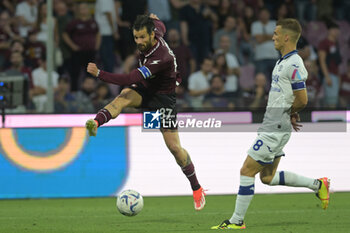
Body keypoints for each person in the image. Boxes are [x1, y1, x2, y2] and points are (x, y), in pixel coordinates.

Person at [211, 18, 330, 230]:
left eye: (276, 33)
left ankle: (237, 221)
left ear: (286, 37)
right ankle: (318, 185)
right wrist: (290, 113)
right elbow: (288, 97)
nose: (272, 37)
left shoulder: (294, 63)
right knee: (267, 177)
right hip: (274, 124)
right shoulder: (282, 61)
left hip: (275, 128)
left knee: (246, 170)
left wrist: (290, 113)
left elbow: (302, 99)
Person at [85, 14, 206, 211]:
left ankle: (197, 188)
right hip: (146, 88)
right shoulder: (155, 28)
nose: (139, 41)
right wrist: (153, 18)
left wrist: (100, 74)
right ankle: (96, 122)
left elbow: (129, 77)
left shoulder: (161, 57)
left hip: (164, 99)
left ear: (152, 35)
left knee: (175, 149)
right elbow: (162, 25)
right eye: (136, 37)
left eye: (142, 37)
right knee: (123, 97)